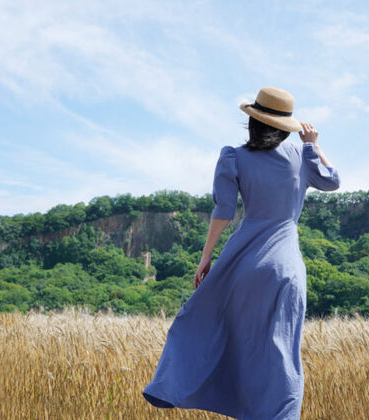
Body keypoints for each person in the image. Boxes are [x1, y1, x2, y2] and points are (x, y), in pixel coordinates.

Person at [142, 86, 340, 419]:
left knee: (212, 329)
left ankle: (176, 386)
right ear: (285, 126)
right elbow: (332, 180)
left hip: (243, 263)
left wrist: (206, 257)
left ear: (253, 121)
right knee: (281, 354)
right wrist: (313, 145)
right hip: (286, 267)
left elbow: (223, 210)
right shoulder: (301, 156)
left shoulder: (234, 156)